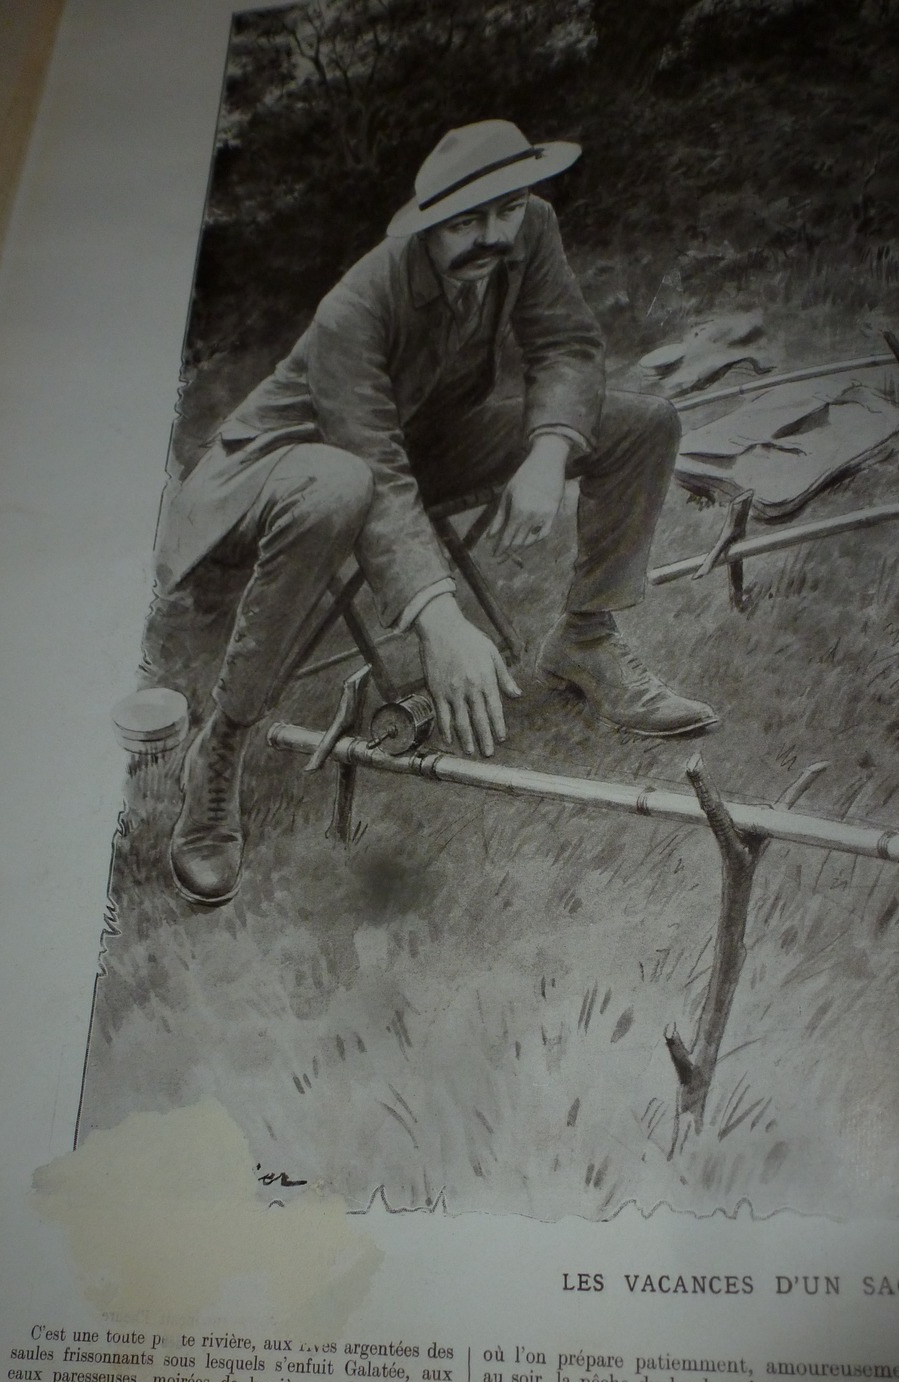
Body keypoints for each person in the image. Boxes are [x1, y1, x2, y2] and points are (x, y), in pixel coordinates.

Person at [155, 119, 716, 906]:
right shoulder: (356, 305)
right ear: (425, 227)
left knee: (643, 423)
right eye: (465, 222)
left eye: (506, 211)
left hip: (423, 436)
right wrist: (442, 622)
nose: (492, 237)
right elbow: (373, 471)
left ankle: (587, 640)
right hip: (284, 463)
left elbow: (566, 345)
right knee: (340, 487)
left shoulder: (532, 227)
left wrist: (550, 449)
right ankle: (221, 748)